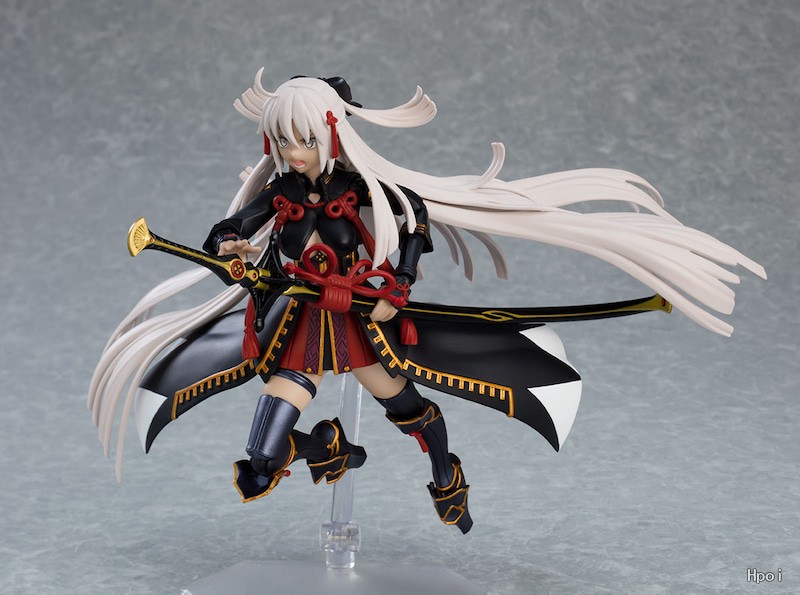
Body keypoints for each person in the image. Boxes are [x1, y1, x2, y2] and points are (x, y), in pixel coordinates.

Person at [89, 72, 765, 534]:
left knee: (405, 406)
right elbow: (228, 229)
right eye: (283, 141)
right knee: (257, 467)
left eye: (301, 139)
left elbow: (413, 222)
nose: (291, 152)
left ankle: (446, 473)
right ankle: (328, 446)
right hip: (299, 326)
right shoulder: (282, 193)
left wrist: (396, 289)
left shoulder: (361, 188)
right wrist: (231, 244)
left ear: (328, 133)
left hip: (357, 321)